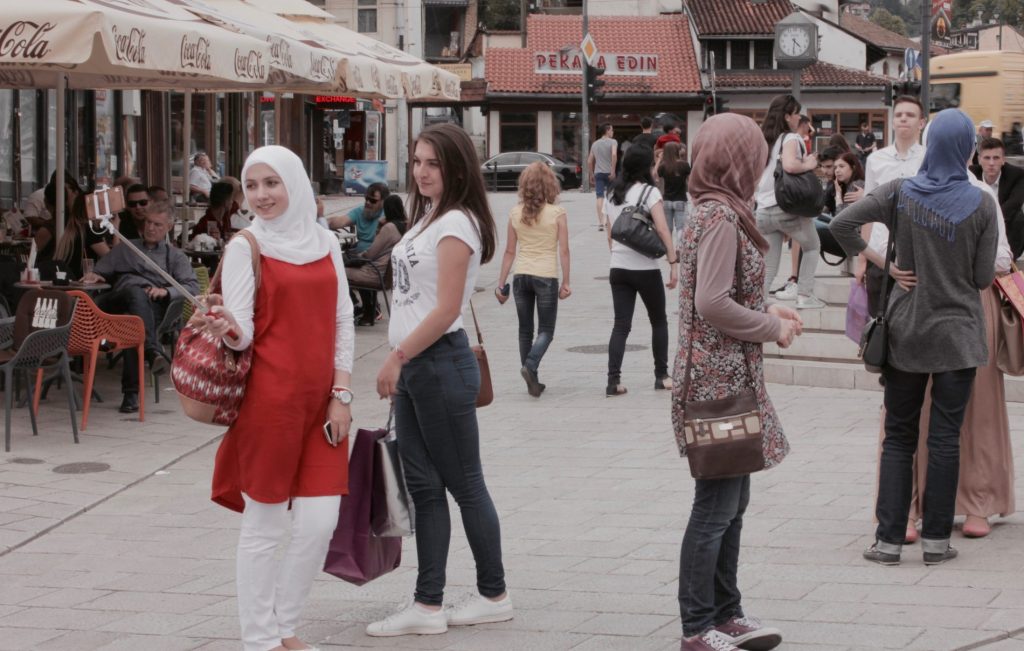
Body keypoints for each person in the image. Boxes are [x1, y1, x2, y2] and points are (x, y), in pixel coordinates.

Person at [200, 146, 354, 651]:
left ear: (294, 183)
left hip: (323, 403)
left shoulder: (325, 241)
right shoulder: (246, 246)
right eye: (253, 185)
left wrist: (342, 392)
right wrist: (227, 327)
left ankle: (284, 622)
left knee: (319, 522)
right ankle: (262, 640)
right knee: (265, 525)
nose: (262, 195)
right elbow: (242, 334)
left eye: (272, 183)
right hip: (270, 403)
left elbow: (342, 320)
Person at [832, 109, 1000, 567]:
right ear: (967, 148)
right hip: (960, 335)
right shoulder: (982, 202)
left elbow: (840, 225)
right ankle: (936, 544)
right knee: (945, 438)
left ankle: (888, 541)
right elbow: (984, 276)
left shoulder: (899, 192)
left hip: (906, 331)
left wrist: (884, 262)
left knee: (899, 436)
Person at [368, 124, 509, 637]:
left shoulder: (458, 224)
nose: (422, 172)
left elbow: (448, 308)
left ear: (455, 168)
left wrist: (397, 357)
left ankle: (494, 593)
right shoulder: (428, 216)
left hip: (436, 364)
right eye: (417, 161)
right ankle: (427, 606)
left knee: (465, 483)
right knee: (426, 488)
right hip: (417, 368)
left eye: (433, 164)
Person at [673, 112, 801, 651]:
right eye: (756, 156)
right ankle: (699, 626)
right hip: (716, 383)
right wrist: (772, 326)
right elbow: (712, 303)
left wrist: (763, 304)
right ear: (738, 161)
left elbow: (723, 291)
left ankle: (728, 613)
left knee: (733, 503)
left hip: (726, 378)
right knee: (716, 508)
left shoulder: (716, 210)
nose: (761, 165)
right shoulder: (721, 217)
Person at [83, 201, 199, 414]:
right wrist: (95, 275)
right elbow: (101, 270)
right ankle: (152, 350)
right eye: (147, 222)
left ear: (169, 227)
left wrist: (166, 292)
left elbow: (192, 286)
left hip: (150, 308)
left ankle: (131, 395)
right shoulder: (127, 247)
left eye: (157, 224)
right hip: (117, 302)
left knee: (133, 325)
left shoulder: (175, 256)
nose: (150, 228)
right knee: (134, 295)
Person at [603, 144, 678, 396]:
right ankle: (662, 375)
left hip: (618, 267)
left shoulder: (612, 192)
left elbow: (609, 229)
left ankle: (613, 381)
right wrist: (673, 261)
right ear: (646, 167)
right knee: (658, 320)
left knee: (621, 325)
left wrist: (615, 255)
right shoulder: (650, 193)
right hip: (645, 268)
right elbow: (664, 230)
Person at [494, 161, 571, 397]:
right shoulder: (557, 213)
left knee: (524, 330)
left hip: (521, 277)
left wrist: (500, 284)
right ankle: (530, 366)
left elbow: (509, 251)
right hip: (546, 276)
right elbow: (564, 251)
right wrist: (566, 282)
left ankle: (533, 382)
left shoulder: (515, 213)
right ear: (550, 185)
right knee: (546, 330)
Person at [858, 96, 926, 318]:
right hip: (879, 254)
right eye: (899, 115)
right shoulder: (876, 160)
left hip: (917, 257)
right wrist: (862, 260)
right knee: (879, 324)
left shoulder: (929, 159)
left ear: (922, 122)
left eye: (910, 115)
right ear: (892, 120)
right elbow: (867, 212)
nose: (903, 119)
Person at [755, 94, 825, 309]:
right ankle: (805, 295)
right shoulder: (791, 138)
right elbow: (791, 167)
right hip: (785, 207)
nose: (798, 118)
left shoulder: (763, 140)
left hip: (763, 211)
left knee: (770, 260)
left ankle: (759, 300)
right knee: (812, 246)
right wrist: (810, 163)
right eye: (796, 114)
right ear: (787, 116)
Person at [346, 194, 407, 327]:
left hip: (375, 272)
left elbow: (370, 254)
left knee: (339, 272)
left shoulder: (389, 228)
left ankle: (357, 308)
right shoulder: (405, 226)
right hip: (386, 273)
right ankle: (368, 311)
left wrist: (379, 228)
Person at [971, 137, 1024, 258]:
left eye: (996, 158)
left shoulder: (1017, 175)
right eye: (987, 158)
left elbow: (1015, 203)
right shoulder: (971, 175)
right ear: (979, 160)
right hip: (976, 226)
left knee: (1019, 218)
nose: (991, 163)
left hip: (1006, 225)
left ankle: (1009, 260)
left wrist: (989, 219)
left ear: (1003, 160)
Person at [52, 193, 113, 279]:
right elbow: (113, 259)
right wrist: (115, 227)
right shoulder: (89, 230)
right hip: (81, 284)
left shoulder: (75, 229)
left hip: (69, 281)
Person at [326, 182, 389, 252]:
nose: (368, 202)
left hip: (377, 257)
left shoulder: (388, 215)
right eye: (367, 198)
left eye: (373, 200)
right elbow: (341, 221)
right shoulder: (360, 211)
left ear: (384, 202)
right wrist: (322, 222)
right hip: (359, 256)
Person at [658, 141, 691, 234]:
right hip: (680, 199)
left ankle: (669, 248)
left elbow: (655, 176)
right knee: (680, 228)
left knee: (667, 229)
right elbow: (690, 181)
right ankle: (679, 248)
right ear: (677, 151)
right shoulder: (684, 165)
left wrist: (659, 160)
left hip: (666, 200)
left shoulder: (663, 166)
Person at [588, 123, 617, 231]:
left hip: (598, 173)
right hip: (609, 173)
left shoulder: (595, 144)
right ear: (607, 131)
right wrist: (613, 170)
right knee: (611, 196)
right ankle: (610, 220)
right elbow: (614, 155)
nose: (613, 132)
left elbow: (589, 160)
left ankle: (601, 222)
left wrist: (591, 174)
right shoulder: (613, 142)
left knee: (599, 196)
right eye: (612, 130)